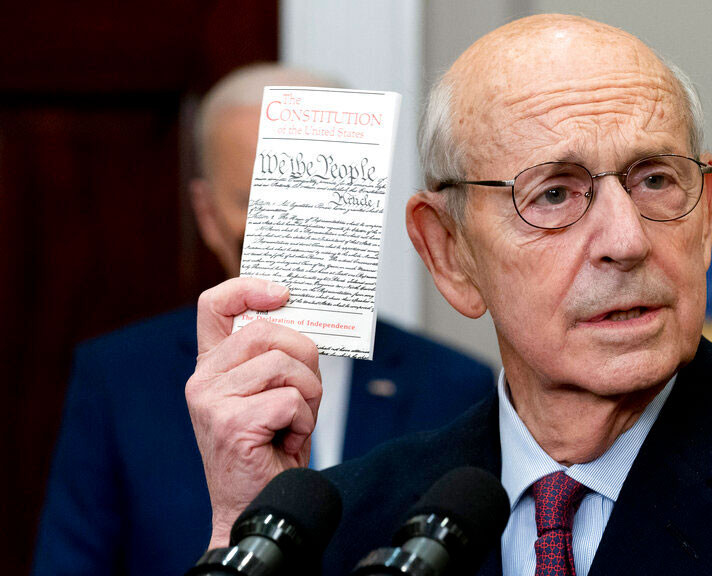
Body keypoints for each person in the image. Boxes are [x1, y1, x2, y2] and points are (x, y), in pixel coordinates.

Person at [187, 17, 712, 576]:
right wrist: (244, 532)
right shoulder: (357, 514)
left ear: (705, 218)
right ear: (450, 252)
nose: (626, 238)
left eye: (655, 180)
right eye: (557, 194)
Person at [31, 64, 495, 576]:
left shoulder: (457, 386)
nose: (292, 226)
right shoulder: (120, 382)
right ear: (207, 216)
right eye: (260, 204)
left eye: (317, 199)